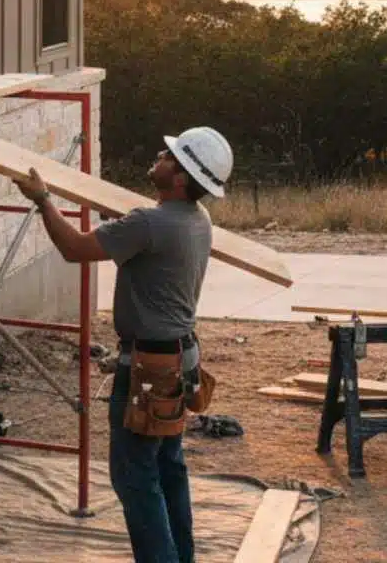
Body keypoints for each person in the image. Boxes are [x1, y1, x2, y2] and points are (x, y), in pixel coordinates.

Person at [15, 127, 233, 563]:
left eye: (169, 157)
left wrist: (42, 199)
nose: (159, 155)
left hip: (151, 368)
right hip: (178, 359)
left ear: (180, 178)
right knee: (167, 467)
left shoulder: (149, 224)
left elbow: (74, 248)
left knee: (134, 476)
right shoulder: (196, 219)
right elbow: (138, 229)